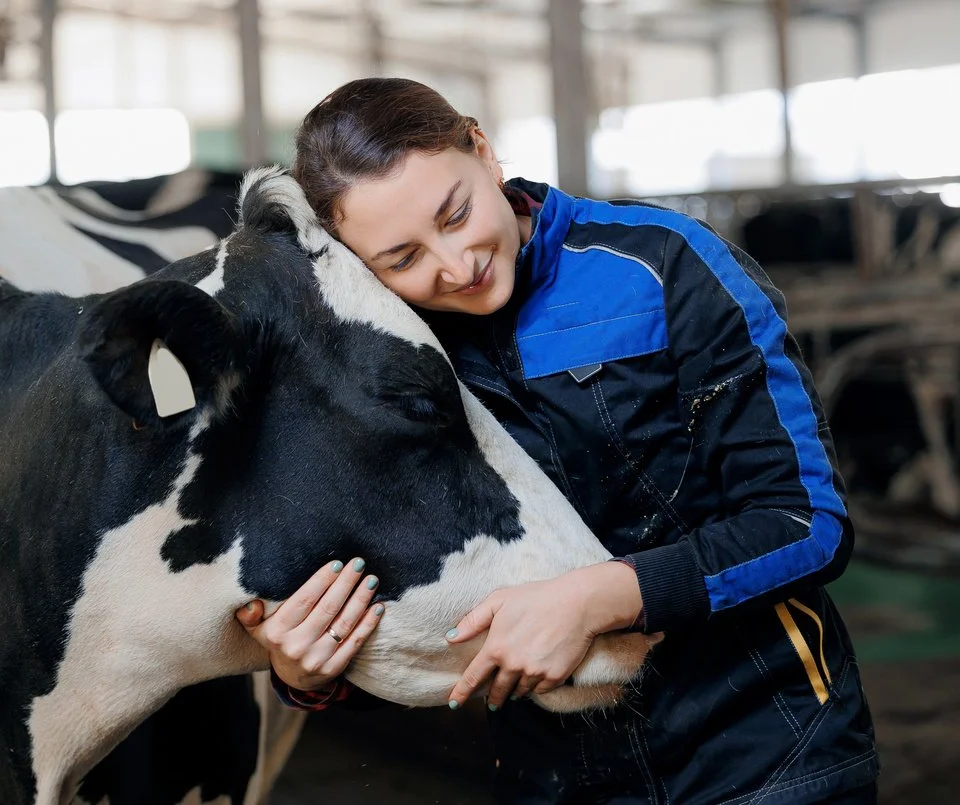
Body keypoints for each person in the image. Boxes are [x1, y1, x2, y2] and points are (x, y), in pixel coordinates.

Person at [234, 77, 879, 804]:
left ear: (483, 151)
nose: (457, 266)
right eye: (402, 259)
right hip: (553, 778)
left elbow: (806, 524)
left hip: (769, 754)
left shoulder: (661, 265)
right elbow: (417, 592)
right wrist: (311, 675)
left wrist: (598, 598)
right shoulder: (381, 359)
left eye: (456, 213)